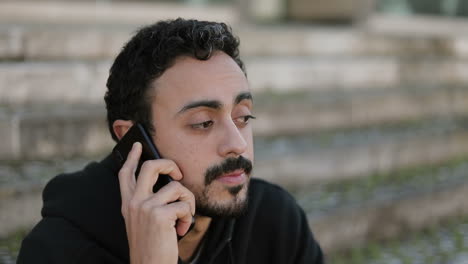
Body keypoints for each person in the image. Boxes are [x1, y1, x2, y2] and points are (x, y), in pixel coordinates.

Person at [17, 18, 324, 264]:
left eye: (242, 117)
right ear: (132, 139)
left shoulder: (274, 220)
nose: (237, 144)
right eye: (203, 123)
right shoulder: (59, 251)